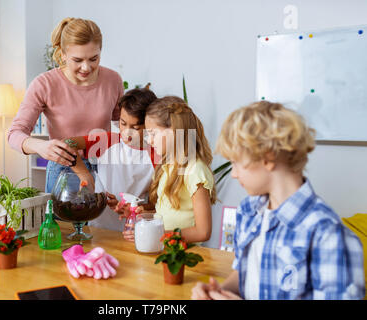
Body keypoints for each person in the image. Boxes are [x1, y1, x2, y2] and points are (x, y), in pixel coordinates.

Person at [191, 101, 365, 300]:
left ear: (268, 157)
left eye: (236, 163)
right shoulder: (249, 211)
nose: (234, 174)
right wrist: (218, 293)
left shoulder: (328, 234)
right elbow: (246, 274)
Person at [8, 17, 123, 193]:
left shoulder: (113, 80)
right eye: (77, 60)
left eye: (94, 58)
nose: (86, 67)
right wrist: (41, 146)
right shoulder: (44, 84)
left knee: (104, 221)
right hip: (64, 172)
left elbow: (124, 125)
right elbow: (14, 134)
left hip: (106, 168)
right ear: (62, 54)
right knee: (64, 222)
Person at [60, 88, 158, 233]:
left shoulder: (156, 153)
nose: (126, 133)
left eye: (135, 127)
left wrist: (131, 207)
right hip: (98, 226)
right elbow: (67, 144)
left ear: (150, 125)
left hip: (133, 230)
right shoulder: (108, 141)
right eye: (123, 123)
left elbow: (156, 206)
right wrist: (84, 175)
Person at [130, 96, 216, 243]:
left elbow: (203, 232)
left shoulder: (195, 170)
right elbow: (171, 214)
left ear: (174, 131)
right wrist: (146, 215)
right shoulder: (167, 167)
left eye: (153, 133)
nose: (149, 141)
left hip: (184, 257)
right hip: (166, 251)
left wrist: (157, 235)